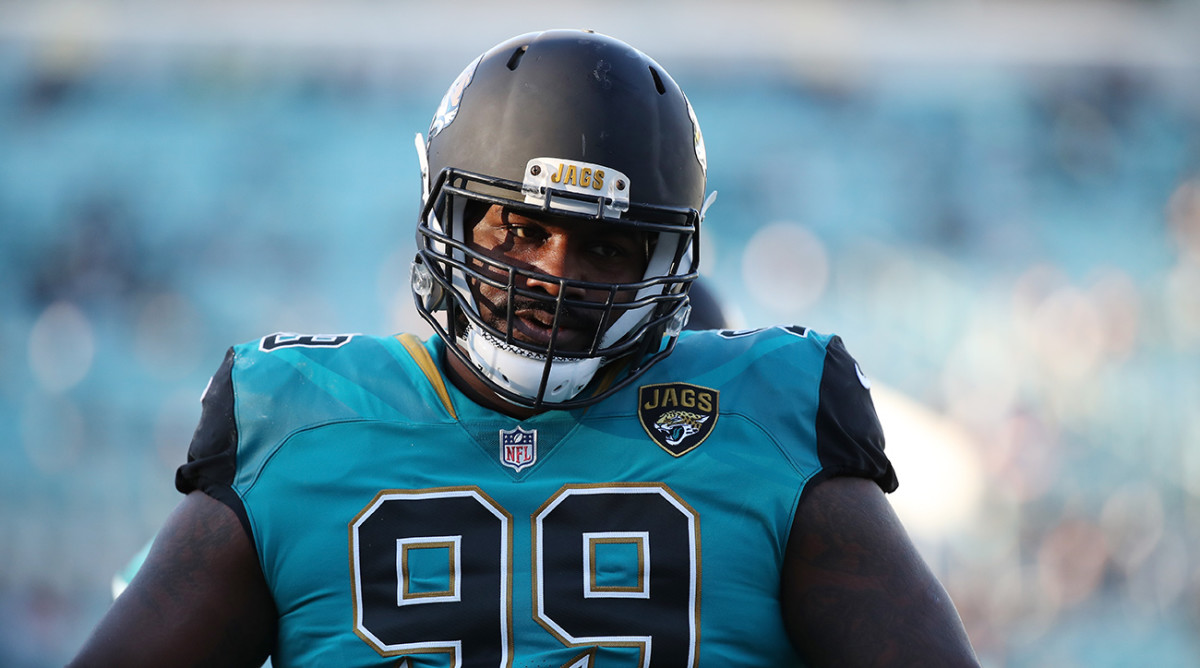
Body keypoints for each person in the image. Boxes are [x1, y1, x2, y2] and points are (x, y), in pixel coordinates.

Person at [70, 29, 979, 667]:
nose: (555, 275)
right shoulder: (293, 417)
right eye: (519, 229)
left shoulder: (774, 412)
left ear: (669, 262)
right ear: (447, 215)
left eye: (607, 247)